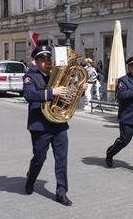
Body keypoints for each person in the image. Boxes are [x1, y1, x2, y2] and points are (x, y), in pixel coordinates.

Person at [23, 46, 86, 206]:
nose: (47, 62)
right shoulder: (31, 76)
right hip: (40, 126)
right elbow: (29, 95)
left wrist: (79, 89)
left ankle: (61, 192)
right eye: (42, 59)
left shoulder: (60, 74)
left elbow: (68, 98)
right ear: (36, 62)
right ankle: (31, 179)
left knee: (62, 159)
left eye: (49, 59)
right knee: (39, 158)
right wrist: (52, 92)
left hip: (59, 124)